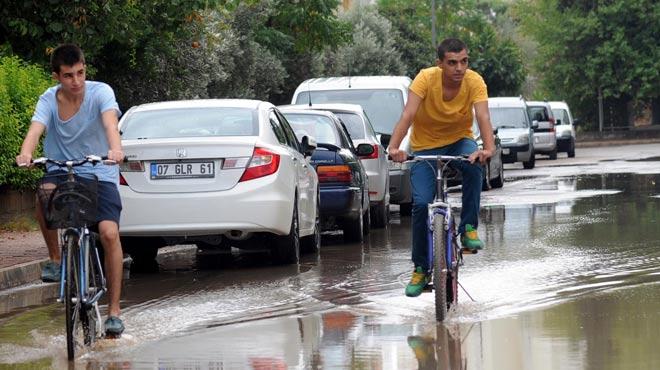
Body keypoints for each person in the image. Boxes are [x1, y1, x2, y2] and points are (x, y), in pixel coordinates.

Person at [15, 44, 126, 336]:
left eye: (80, 73)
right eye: (68, 76)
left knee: (109, 233)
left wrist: (115, 149)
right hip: (61, 169)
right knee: (43, 193)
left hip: (99, 170)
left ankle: (114, 312)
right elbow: (35, 130)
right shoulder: (48, 100)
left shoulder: (102, 92)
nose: (76, 81)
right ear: (56, 76)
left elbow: (110, 124)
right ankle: (55, 259)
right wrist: (26, 153)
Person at [387, 38, 495, 297]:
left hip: (459, 142)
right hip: (424, 147)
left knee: (473, 163)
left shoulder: (474, 81)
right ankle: (421, 268)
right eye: (452, 63)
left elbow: (483, 117)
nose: (460, 68)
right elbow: (408, 115)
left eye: (464, 61)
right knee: (421, 204)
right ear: (440, 64)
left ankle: (468, 228)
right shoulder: (425, 79)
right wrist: (394, 148)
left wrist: (487, 149)